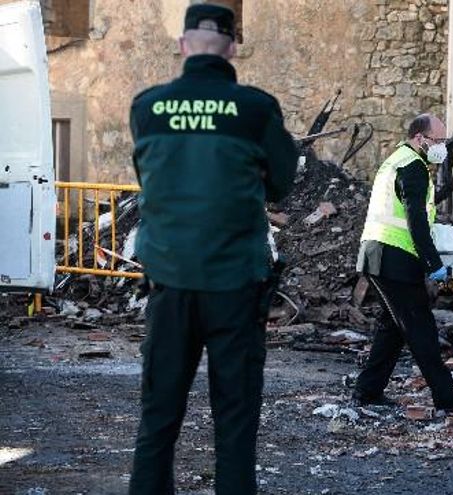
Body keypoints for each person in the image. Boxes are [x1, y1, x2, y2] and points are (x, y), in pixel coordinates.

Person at [127, 4, 299, 494]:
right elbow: (282, 183)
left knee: (158, 417)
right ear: (232, 49)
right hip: (234, 285)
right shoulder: (255, 108)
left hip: (170, 281)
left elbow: (152, 178)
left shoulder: (147, 107)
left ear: (183, 46)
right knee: (235, 420)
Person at [353, 113, 453, 411]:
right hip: (394, 256)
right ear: (421, 139)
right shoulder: (414, 166)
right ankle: (447, 397)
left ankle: (368, 391)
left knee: (393, 329)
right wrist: (433, 263)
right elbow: (416, 221)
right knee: (421, 329)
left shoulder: (395, 159)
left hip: (377, 252)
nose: (443, 147)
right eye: (439, 141)